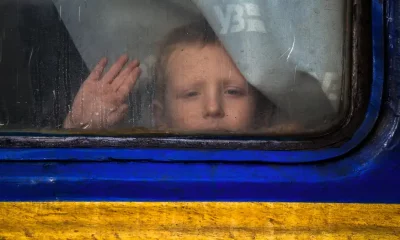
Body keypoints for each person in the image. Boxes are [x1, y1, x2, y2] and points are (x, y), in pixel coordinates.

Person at [63, 19, 276, 133]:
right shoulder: (143, 165)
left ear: (263, 113)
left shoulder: (291, 155)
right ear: (160, 117)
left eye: (233, 92)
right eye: (191, 94)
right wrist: (80, 126)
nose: (213, 108)